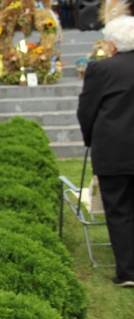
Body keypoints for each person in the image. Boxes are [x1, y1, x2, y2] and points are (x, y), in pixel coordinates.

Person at [77, 15, 134, 288]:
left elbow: (87, 109)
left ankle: (128, 272)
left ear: (112, 44)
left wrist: (89, 138)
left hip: (114, 148)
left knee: (119, 208)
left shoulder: (101, 70)